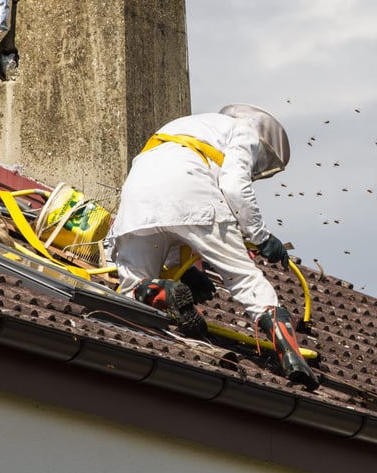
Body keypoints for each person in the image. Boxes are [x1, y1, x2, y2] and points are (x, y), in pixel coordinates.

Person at [107, 104, 320, 390]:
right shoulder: (244, 133)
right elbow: (234, 186)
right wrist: (262, 237)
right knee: (246, 280)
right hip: (192, 189)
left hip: (137, 196)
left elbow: (169, 222)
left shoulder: (187, 125)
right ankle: (292, 358)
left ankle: (165, 291)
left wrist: (183, 275)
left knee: (130, 288)